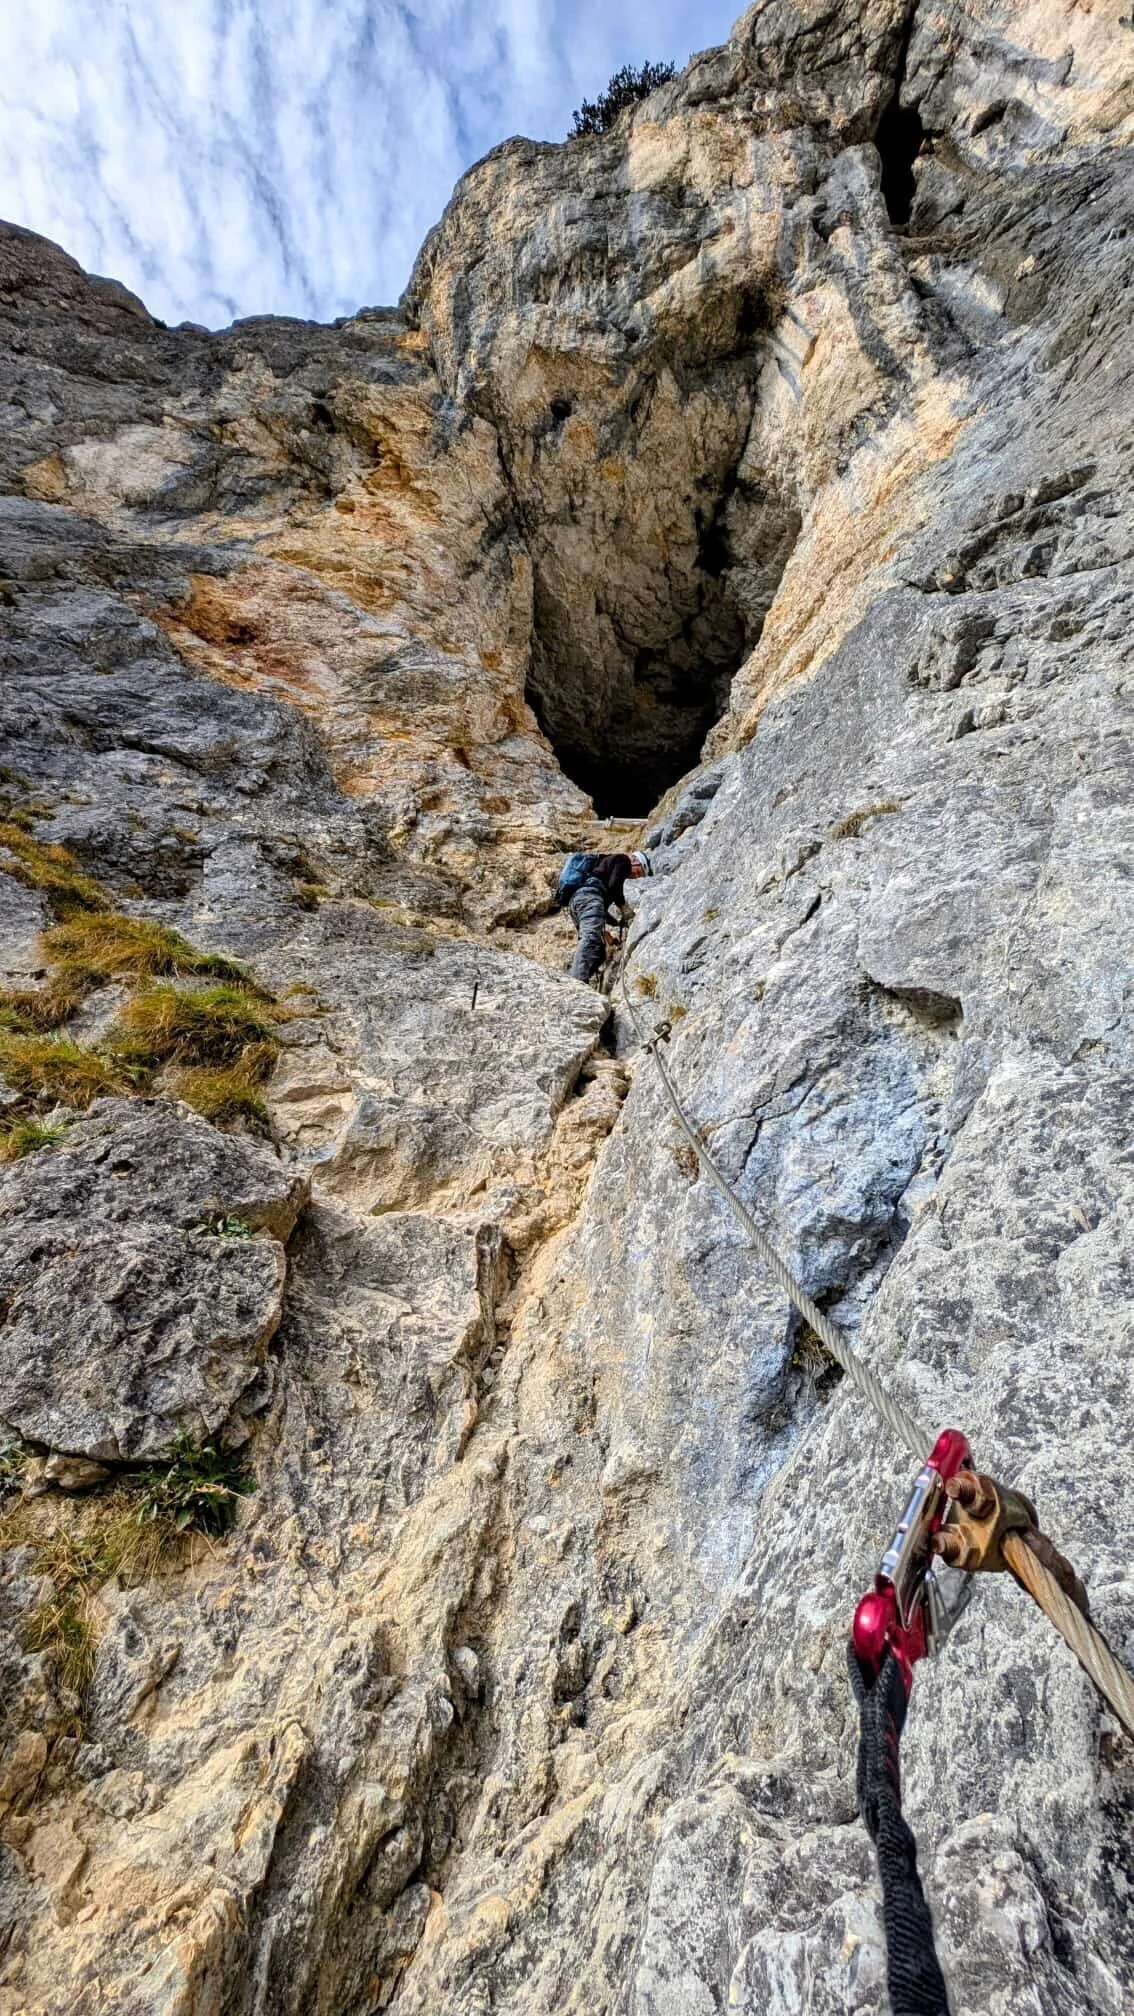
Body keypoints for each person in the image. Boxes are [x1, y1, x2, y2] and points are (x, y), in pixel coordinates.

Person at [569, 850, 651, 984]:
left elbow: (601, 912)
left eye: (637, 877)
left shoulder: (606, 870)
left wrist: (617, 924)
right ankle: (577, 983)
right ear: (635, 861)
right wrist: (624, 908)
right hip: (590, 898)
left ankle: (578, 978)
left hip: (579, 902)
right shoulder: (624, 860)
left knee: (598, 953)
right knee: (590, 939)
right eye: (637, 872)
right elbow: (614, 886)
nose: (633, 876)